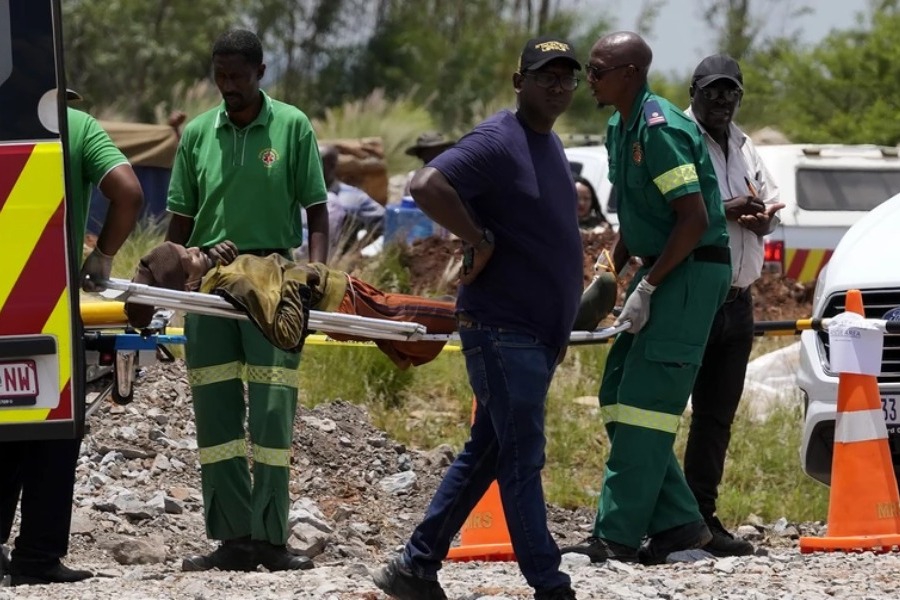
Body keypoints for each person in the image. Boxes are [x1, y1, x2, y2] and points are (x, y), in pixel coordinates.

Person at [372, 35, 584, 600]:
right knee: (522, 458)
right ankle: (550, 584)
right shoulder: (498, 138)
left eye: (567, 77)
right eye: (546, 76)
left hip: (534, 334)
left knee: (489, 451)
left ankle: (414, 568)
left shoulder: (549, 143)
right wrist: (478, 235)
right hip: (501, 329)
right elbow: (425, 183)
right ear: (520, 83)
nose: (559, 86)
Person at [560, 31, 731, 565]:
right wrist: (612, 265)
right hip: (660, 267)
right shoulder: (619, 125)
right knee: (616, 392)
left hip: (689, 272)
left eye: (597, 69)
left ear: (630, 73)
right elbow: (637, 212)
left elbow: (694, 218)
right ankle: (679, 523)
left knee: (645, 407)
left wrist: (650, 285)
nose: (588, 78)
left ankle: (617, 534)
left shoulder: (660, 128)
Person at [164, 29, 329, 573]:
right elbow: (181, 223)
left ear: (261, 72)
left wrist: (315, 275)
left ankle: (271, 539)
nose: (228, 86)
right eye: (221, 75)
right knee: (215, 412)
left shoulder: (292, 126)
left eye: (238, 75)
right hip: (209, 283)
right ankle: (231, 538)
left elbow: (316, 210)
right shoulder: (195, 134)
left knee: (272, 411)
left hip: (274, 279)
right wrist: (172, 274)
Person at [0, 95, 143, 586]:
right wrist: (102, 256)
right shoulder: (75, 126)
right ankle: (37, 557)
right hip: (45, 301)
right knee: (52, 426)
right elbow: (128, 192)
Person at [683, 54, 784, 557]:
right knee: (660, 414)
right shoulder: (678, 138)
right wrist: (727, 212)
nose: (722, 101)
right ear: (694, 90)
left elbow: (769, 203)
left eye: (731, 92)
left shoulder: (745, 146)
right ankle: (663, 520)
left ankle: (702, 519)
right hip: (693, 299)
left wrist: (764, 219)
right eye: (713, 91)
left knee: (716, 417)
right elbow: (671, 214)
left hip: (739, 302)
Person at [124, 240, 458, 369]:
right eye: (190, 259)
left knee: (433, 316)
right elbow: (286, 335)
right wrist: (297, 285)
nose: (196, 249)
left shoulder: (218, 273)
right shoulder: (230, 285)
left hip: (342, 290)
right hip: (339, 300)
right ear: (187, 282)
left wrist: (222, 254)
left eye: (189, 247)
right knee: (446, 317)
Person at [320, 144, 385, 254]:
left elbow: (384, 222)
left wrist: (354, 249)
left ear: (332, 166)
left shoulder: (353, 197)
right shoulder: (293, 195)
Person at [401, 132, 456, 196]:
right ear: (420, 155)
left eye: (437, 151)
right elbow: (409, 201)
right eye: (429, 152)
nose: (434, 155)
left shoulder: (454, 175)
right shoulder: (413, 177)